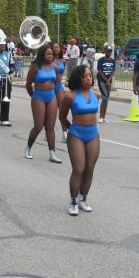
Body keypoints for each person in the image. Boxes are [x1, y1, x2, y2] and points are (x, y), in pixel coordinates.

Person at [59, 64, 100, 216]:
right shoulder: (70, 96)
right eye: (84, 76)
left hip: (93, 135)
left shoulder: (96, 95)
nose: (88, 78)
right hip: (76, 134)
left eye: (90, 75)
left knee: (89, 168)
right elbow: (62, 117)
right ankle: (73, 201)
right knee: (78, 169)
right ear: (78, 78)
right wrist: (71, 130)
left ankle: (83, 199)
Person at [25, 44, 63, 163]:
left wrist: (54, 94)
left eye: (51, 54)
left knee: (50, 126)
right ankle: (28, 148)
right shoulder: (36, 67)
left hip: (51, 97)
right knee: (38, 126)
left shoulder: (55, 67)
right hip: (38, 97)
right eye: (48, 54)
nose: (51, 56)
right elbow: (28, 84)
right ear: (42, 54)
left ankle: (52, 154)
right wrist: (34, 96)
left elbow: (56, 82)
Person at [51, 42, 68, 140]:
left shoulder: (63, 61)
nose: (56, 49)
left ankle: (64, 132)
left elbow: (61, 75)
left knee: (62, 109)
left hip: (58, 86)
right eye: (54, 47)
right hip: (49, 86)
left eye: (58, 47)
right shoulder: (48, 59)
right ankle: (48, 129)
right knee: (51, 111)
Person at [96, 46, 116, 123]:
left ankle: (104, 117)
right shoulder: (101, 60)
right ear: (105, 51)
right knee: (104, 98)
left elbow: (113, 71)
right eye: (108, 51)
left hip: (109, 81)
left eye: (110, 51)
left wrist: (109, 80)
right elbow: (100, 71)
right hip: (102, 81)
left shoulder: (112, 61)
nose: (109, 53)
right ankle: (101, 117)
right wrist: (106, 80)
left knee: (107, 98)